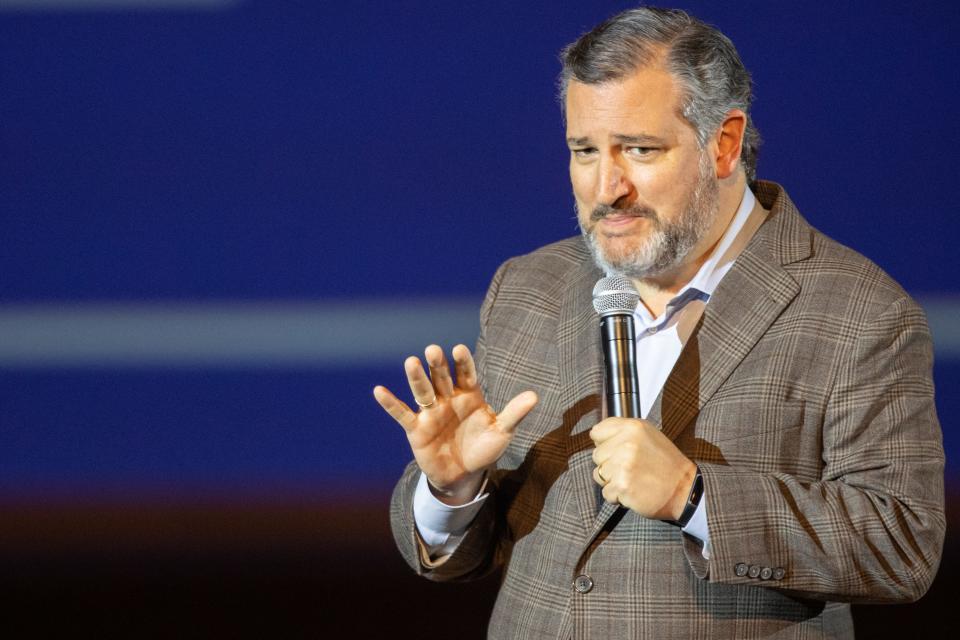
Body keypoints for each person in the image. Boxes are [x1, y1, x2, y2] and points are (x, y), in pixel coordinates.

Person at [373, 6, 945, 639]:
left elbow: (902, 544)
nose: (606, 188)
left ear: (724, 143)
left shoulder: (860, 311)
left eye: (639, 150)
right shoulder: (528, 287)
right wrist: (452, 488)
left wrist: (693, 497)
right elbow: (459, 557)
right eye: (584, 151)